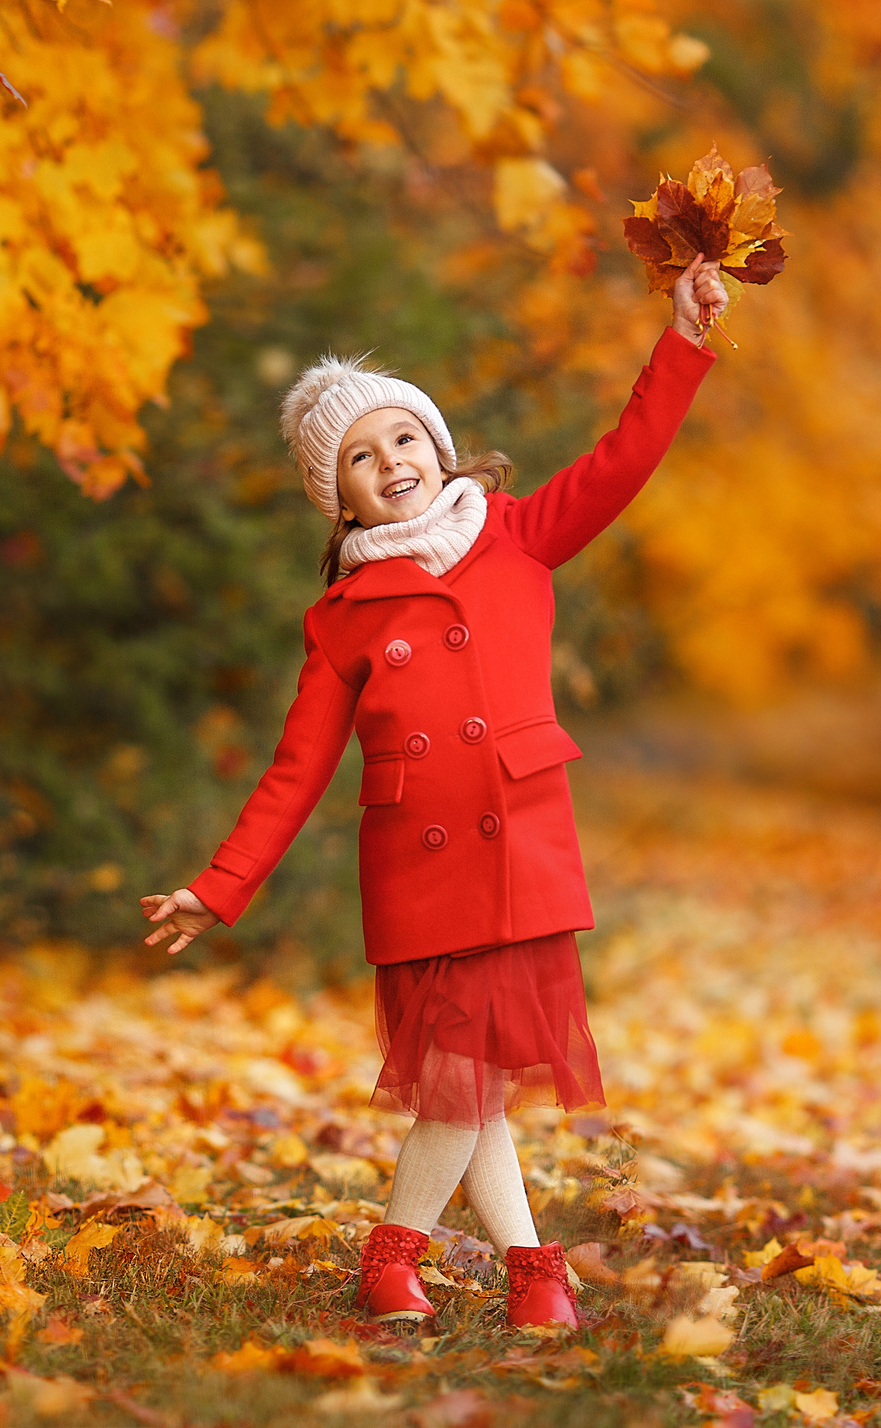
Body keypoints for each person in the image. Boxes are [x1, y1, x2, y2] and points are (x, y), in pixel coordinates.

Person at [140, 255, 730, 1331]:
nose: (389, 462)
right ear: (338, 493)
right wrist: (215, 887)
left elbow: (621, 458)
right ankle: (456, 1265)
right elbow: (295, 767)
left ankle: (509, 1271)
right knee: (465, 1084)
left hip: (524, 851)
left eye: (401, 437)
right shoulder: (344, 614)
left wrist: (682, 343)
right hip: (424, 872)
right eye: (359, 459)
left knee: (473, 1087)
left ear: (436, 443)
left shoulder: (515, 532)